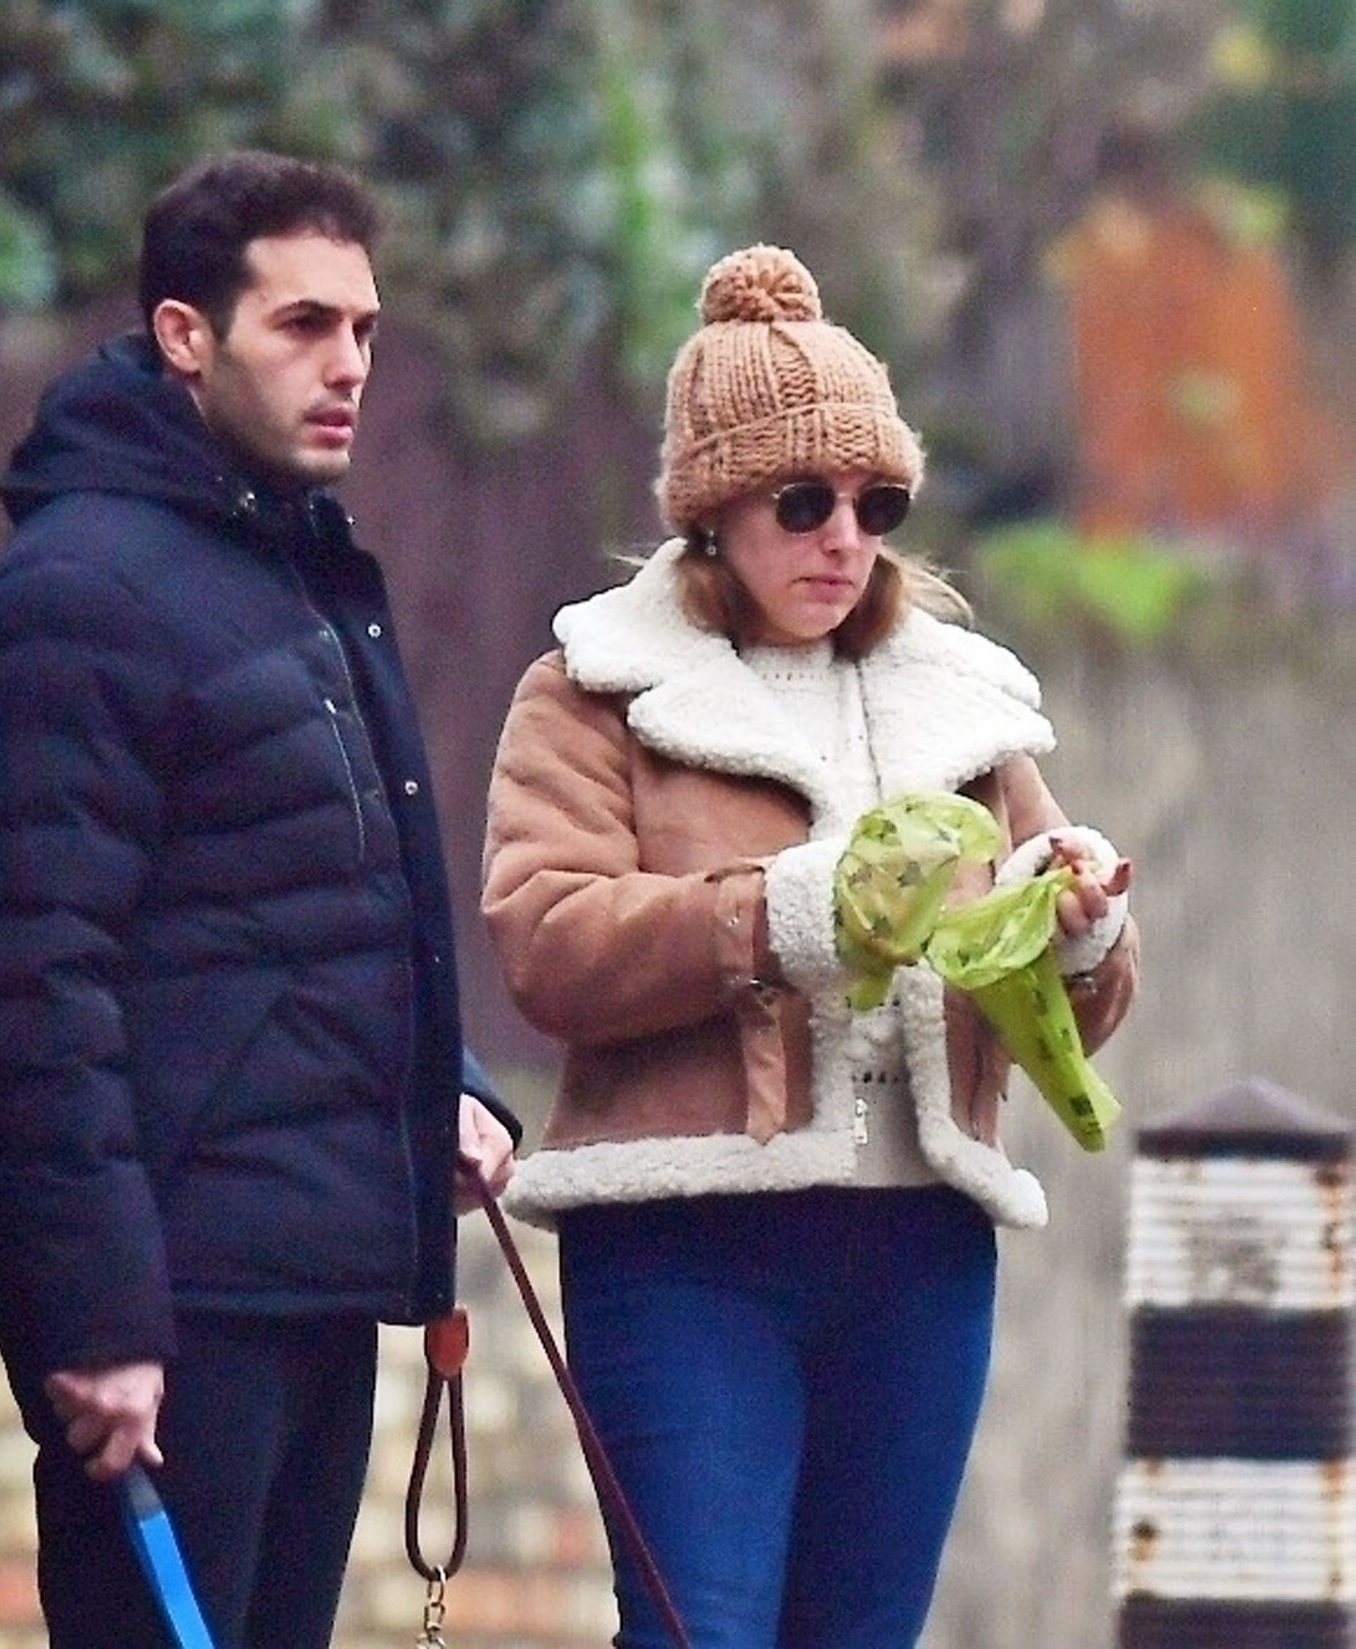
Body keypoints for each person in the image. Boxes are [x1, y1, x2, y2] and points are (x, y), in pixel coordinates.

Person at [481, 243, 1139, 1648]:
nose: (844, 536)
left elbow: (1073, 1004)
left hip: (920, 1251)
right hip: (689, 1248)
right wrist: (792, 914)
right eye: (803, 501)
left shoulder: (964, 703)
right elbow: (546, 940)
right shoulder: (596, 689)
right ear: (713, 511)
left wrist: (1075, 923)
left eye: (875, 503)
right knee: (700, 1631)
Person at [0, 150, 516, 1649]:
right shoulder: (75, 595)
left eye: (365, 329)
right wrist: (98, 1315)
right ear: (186, 335)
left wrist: (443, 1086)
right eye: (303, 325)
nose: (349, 366)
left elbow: (304, 910)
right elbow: (35, 987)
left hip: (312, 1269)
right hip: (173, 1304)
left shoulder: (288, 572)